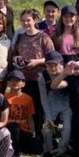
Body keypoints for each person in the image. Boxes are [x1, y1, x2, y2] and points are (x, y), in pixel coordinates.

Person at [10, 9, 55, 140]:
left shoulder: (44, 37)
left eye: (28, 20)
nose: (25, 23)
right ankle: (27, 135)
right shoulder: (20, 37)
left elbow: (51, 57)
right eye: (23, 20)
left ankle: (41, 136)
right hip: (23, 79)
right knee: (25, 108)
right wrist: (17, 60)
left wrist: (36, 62)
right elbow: (14, 54)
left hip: (39, 79)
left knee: (39, 108)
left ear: (35, 20)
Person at [38, 51, 71, 157]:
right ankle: (48, 151)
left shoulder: (68, 72)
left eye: (55, 65)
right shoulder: (43, 77)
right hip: (51, 104)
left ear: (61, 63)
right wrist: (47, 115)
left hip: (67, 105)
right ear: (45, 65)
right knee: (46, 128)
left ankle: (61, 152)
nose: (52, 68)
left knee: (67, 129)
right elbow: (43, 98)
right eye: (49, 65)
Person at [5, 70, 38, 157]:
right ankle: (14, 156)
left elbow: (30, 117)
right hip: (9, 129)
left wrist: (33, 132)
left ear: (23, 83)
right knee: (14, 127)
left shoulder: (28, 99)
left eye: (18, 80)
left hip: (23, 130)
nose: (15, 83)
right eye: (12, 80)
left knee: (37, 149)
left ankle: (19, 151)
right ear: (8, 83)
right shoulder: (4, 97)